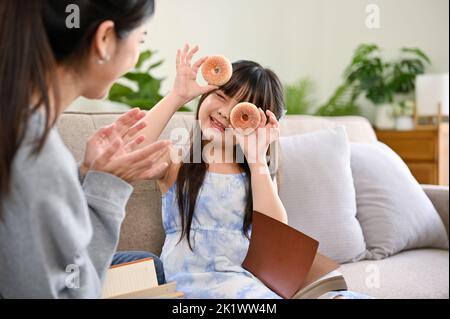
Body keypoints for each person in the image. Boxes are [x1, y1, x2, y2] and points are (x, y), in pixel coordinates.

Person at [134, 44, 373, 299]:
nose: (224, 113)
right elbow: (129, 149)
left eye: (241, 111)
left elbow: (276, 237)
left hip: (248, 285)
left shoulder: (255, 174)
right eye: (221, 97)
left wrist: (257, 158)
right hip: (193, 284)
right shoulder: (178, 161)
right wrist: (177, 96)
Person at [0, 0, 167, 298]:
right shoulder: (36, 151)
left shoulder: (20, 125)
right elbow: (72, 291)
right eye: (140, 39)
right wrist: (106, 192)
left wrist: (84, 176)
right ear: (104, 40)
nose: (137, 52)